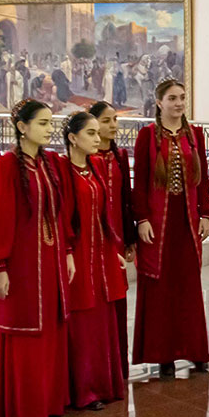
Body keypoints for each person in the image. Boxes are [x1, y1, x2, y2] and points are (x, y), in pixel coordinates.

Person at [0, 98, 74, 417]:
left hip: (49, 263)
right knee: (25, 338)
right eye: (42, 124)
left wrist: (66, 251)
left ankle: (47, 407)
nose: (49, 130)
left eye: (51, 124)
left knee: (50, 333)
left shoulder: (50, 163)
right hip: (20, 266)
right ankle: (24, 416)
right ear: (21, 127)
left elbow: (59, 213)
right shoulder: (4, 166)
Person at [132, 79, 209, 377]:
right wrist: (141, 219)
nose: (179, 104)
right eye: (172, 98)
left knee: (188, 287)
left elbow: (202, 178)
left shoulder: (195, 135)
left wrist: (206, 213)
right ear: (159, 103)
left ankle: (195, 351)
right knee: (160, 289)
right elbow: (138, 182)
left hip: (187, 225)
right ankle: (163, 354)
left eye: (182, 98)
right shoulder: (147, 136)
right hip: (158, 226)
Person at [57, 112, 126, 409]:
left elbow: (104, 215)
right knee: (82, 322)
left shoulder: (95, 166)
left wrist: (115, 249)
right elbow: (63, 217)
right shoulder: (62, 171)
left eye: (98, 134)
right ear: (72, 138)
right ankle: (82, 391)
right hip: (78, 254)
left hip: (101, 253)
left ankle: (103, 385)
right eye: (91, 134)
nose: (98, 140)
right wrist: (69, 252)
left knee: (101, 321)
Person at [91, 101, 135, 378]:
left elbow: (125, 197)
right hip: (92, 240)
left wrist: (130, 239)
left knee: (117, 300)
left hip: (117, 236)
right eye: (106, 121)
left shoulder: (119, 155)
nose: (112, 126)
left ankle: (116, 368)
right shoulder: (84, 157)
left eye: (114, 120)